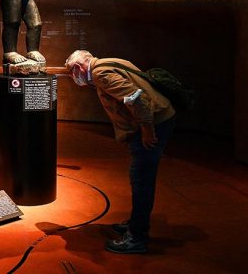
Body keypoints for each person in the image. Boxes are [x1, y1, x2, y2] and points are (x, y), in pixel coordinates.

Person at [64, 49, 176, 254]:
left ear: (79, 68)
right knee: (141, 179)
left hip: (153, 124)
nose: (75, 79)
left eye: (72, 73)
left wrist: (148, 130)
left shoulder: (100, 74)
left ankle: (137, 238)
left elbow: (136, 98)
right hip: (160, 117)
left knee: (141, 181)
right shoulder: (109, 62)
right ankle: (135, 223)